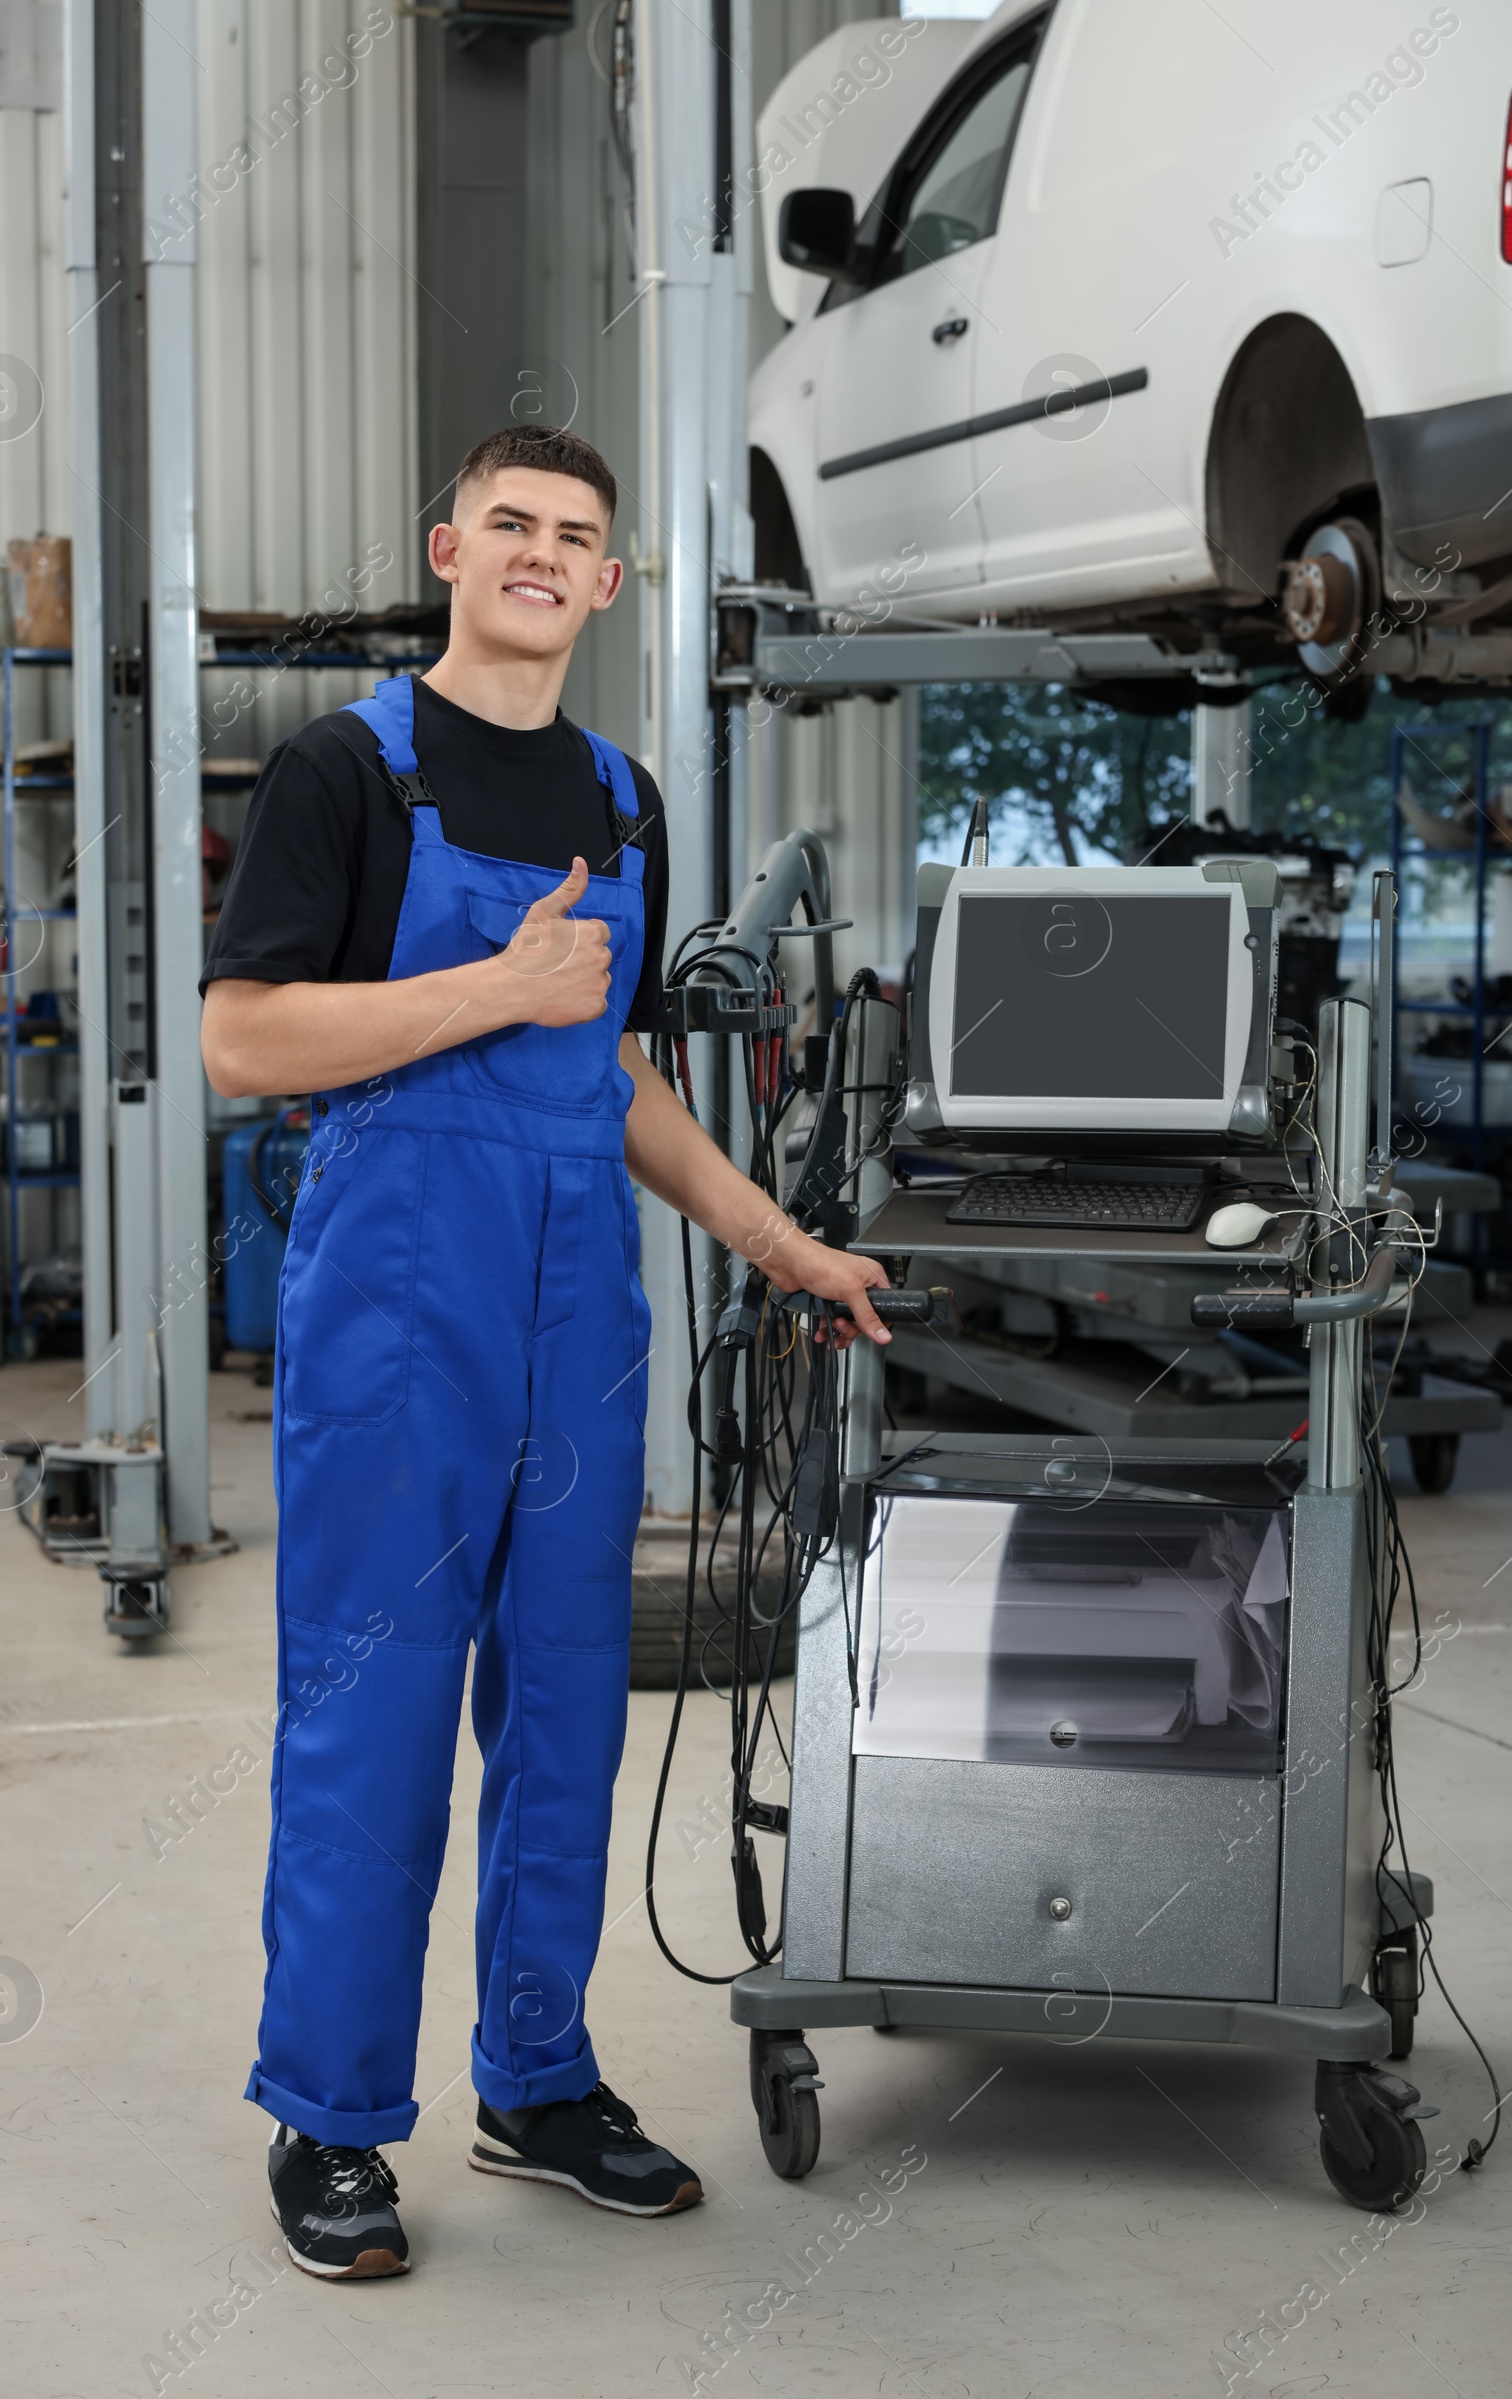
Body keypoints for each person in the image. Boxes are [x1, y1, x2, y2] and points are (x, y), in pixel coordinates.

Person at [200, 425, 889, 2279]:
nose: (539, 552)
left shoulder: (623, 795)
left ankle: (540, 2077)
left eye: (575, 535)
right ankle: (331, 2123)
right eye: (508, 521)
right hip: (399, 1298)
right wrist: (493, 989)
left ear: (604, 583)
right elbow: (246, 1041)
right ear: (450, 548)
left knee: (573, 1704)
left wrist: (777, 1241)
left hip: (583, 1297)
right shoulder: (344, 771)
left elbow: (625, 1075)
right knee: (380, 1711)